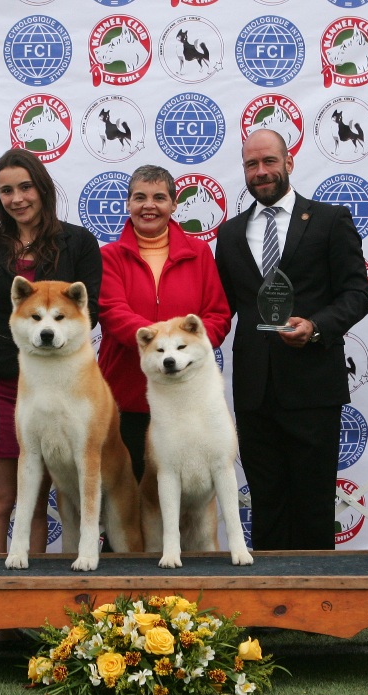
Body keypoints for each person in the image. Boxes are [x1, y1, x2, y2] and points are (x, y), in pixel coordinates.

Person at [214, 129, 368, 551]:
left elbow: (357, 295)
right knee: (266, 505)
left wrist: (316, 326)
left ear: (289, 162)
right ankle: (267, 612)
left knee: (313, 504)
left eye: (269, 161)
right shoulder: (228, 235)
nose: (261, 172)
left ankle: (317, 611)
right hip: (254, 393)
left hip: (312, 388)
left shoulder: (330, 219)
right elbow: (220, 307)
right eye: (251, 164)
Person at [0, 148, 101, 555]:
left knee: (35, 501)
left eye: (25, 187)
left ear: (42, 188)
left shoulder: (80, 243)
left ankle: (29, 613)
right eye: (5, 191)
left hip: (59, 386)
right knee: (0, 501)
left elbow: (93, 311)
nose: (17, 198)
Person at [98, 165, 231, 483]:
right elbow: (113, 312)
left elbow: (217, 316)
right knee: (124, 503)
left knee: (179, 504)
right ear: (128, 204)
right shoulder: (108, 257)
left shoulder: (200, 254)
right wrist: (166, 345)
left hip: (187, 401)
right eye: (139, 197)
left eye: (159, 197)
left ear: (173, 205)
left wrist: (183, 348)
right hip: (124, 399)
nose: (149, 205)